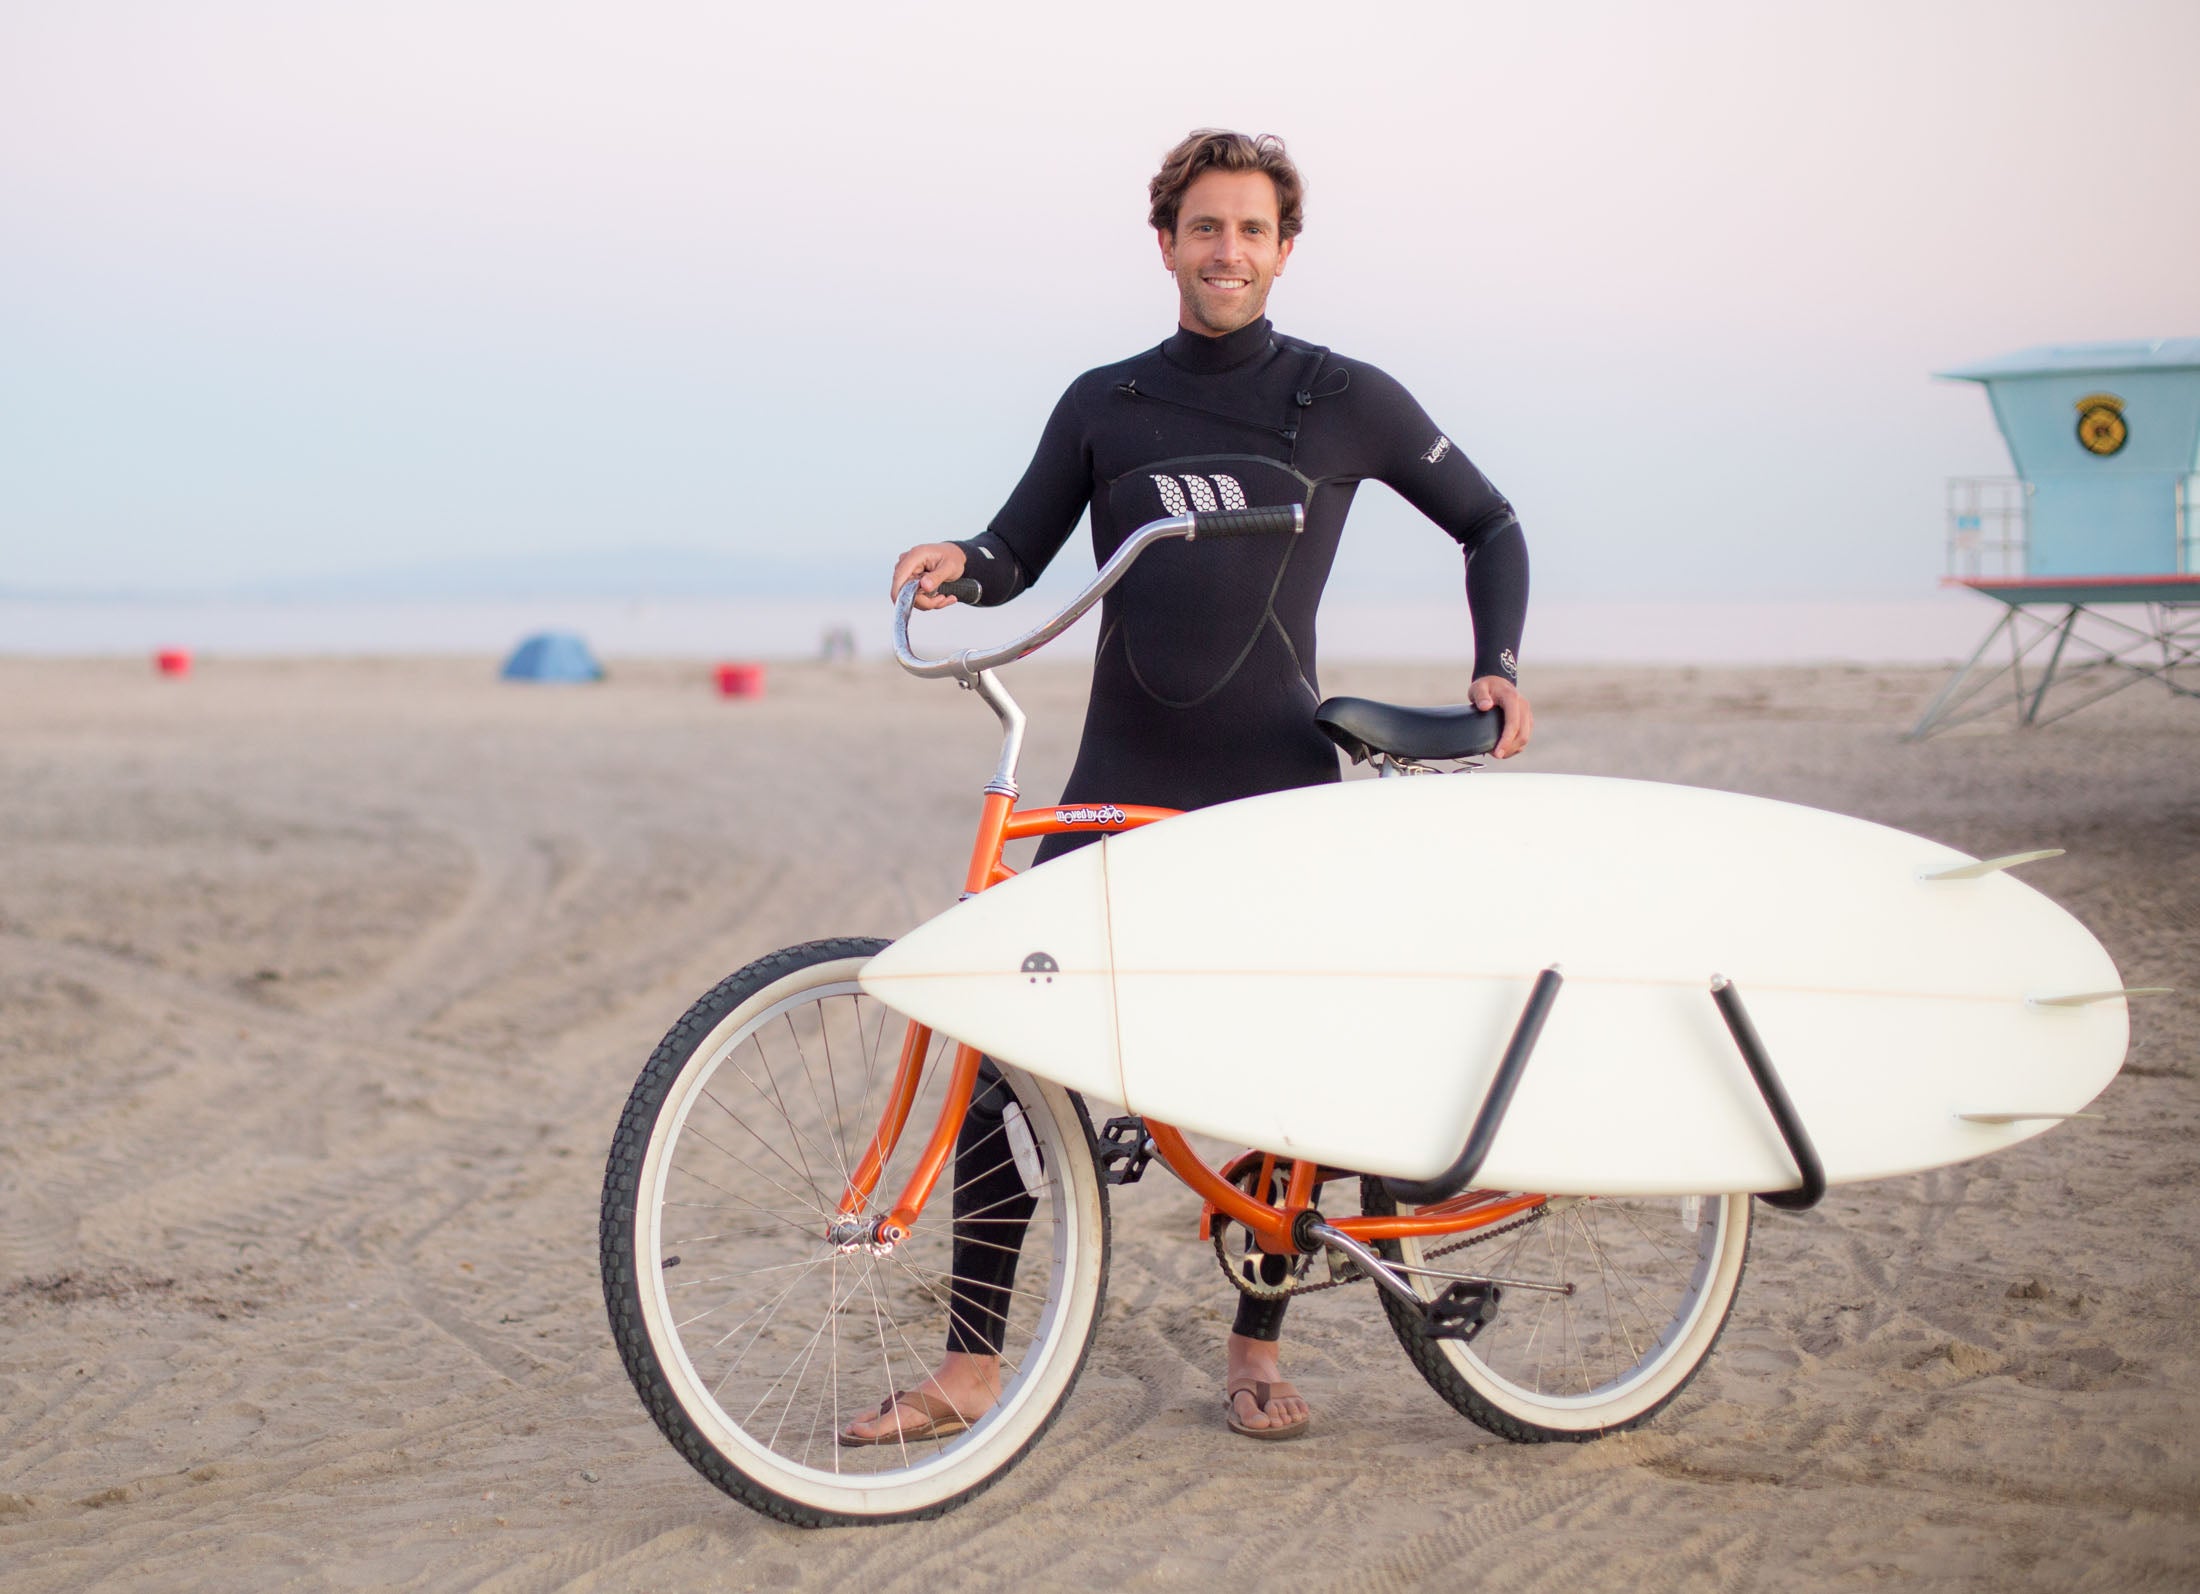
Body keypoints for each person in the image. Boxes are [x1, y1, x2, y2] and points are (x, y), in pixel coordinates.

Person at [848, 129, 1533, 1446]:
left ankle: (1255, 1342)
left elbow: (1490, 521)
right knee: (1005, 1046)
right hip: (1123, 770)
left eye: (1254, 230)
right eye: (1205, 228)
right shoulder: (1107, 401)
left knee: (1292, 1078)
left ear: (1285, 249)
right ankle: (968, 1368)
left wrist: (1496, 663)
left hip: (1272, 774)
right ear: (1164, 241)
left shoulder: (1345, 396)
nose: (1229, 251)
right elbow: (1015, 548)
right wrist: (959, 561)